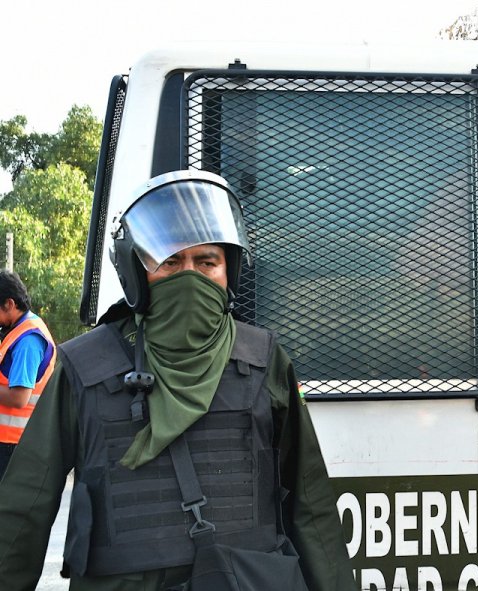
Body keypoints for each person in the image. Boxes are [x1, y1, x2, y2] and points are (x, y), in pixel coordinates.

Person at [0, 171, 355, 591]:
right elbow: (25, 507)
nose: (190, 276)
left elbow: (309, 503)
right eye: (170, 262)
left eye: (206, 262)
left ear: (229, 271)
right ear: (138, 274)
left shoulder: (263, 360)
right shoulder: (85, 365)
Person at [0, 271, 56, 478]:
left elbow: (19, 397)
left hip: (13, 445)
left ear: (9, 304)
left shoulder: (28, 341)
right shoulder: (17, 330)